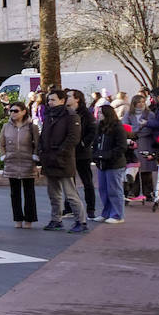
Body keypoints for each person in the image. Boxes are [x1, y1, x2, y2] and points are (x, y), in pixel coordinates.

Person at [38, 90, 86, 233]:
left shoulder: (71, 116)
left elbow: (73, 138)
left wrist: (60, 152)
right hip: (49, 158)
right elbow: (43, 135)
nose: (49, 102)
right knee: (54, 193)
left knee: (70, 194)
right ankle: (56, 220)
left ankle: (81, 221)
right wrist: (41, 150)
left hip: (63, 159)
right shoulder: (49, 115)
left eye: (52, 99)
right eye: (48, 100)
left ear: (62, 100)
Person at [0, 103, 41, 228]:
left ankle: (29, 219)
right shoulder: (6, 126)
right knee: (14, 193)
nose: (12, 113)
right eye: (10, 111)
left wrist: (35, 155)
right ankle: (17, 219)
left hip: (27, 162)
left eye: (16, 111)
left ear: (23, 112)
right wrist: (4, 155)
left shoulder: (31, 127)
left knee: (29, 192)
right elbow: (1, 143)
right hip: (12, 162)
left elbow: (38, 143)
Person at [93, 105, 129, 224]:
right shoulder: (100, 127)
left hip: (114, 164)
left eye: (101, 113)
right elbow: (96, 143)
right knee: (103, 189)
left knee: (114, 190)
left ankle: (117, 214)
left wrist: (107, 155)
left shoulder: (118, 127)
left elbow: (122, 147)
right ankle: (106, 212)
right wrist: (96, 155)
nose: (98, 116)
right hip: (102, 163)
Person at [68, 89, 98, 221]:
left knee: (87, 181)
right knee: (69, 181)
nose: (66, 98)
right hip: (69, 153)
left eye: (69, 96)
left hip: (82, 154)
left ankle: (90, 208)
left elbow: (93, 131)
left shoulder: (86, 114)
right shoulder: (65, 113)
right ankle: (69, 208)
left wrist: (83, 143)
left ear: (77, 99)